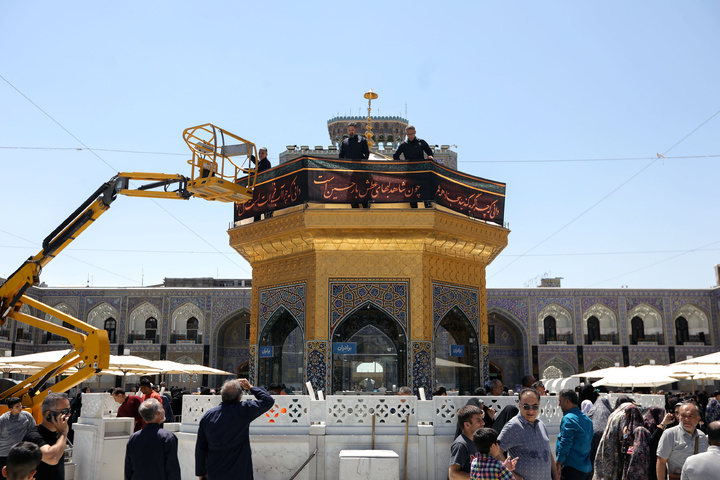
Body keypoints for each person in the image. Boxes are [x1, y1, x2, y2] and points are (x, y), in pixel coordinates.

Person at [195, 378, 274, 480]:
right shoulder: (243, 410)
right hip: (239, 472)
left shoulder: (208, 415)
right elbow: (268, 401)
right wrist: (250, 387)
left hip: (214, 471)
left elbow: (201, 446)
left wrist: (201, 472)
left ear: (222, 395)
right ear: (239, 397)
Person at [497, 388, 558, 480]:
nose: (531, 411)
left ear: (539, 405)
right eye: (526, 406)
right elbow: (496, 451)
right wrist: (513, 475)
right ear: (519, 405)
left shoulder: (541, 424)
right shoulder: (513, 426)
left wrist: (556, 477)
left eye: (534, 406)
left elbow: (548, 453)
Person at [124, 398, 181, 480]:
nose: (164, 410)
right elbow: (172, 468)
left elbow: (128, 468)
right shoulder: (167, 437)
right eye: (162, 408)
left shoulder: (134, 437)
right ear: (158, 413)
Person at [22, 393, 71, 480]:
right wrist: (64, 433)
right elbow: (52, 458)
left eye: (69, 411)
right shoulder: (33, 436)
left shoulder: (58, 433)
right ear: (49, 414)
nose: (69, 415)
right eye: (65, 412)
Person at [657, 403, 708, 480]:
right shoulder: (670, 434)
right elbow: (661, 461)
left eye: (690, 416)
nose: (687, 420)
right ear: (679, 417)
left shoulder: (702, 436)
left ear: (698, 419)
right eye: (683, 416)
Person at [555, 389, 593, 480]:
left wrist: (558, 463)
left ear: (567, 401)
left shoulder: (569, 419)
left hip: (572, 468)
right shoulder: (587, 420)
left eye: (560, 401)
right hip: (586, 468)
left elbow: (565, 443)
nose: (559, 404)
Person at [448, 405, 485, 480]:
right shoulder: (461, 445)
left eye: (482, 419)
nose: (483, 423)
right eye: (478, 420)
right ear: (467, 424)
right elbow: (453, 475)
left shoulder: (476, 442)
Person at [0, 398, 36, 471]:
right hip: (4, 453)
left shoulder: (27, 416)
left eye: (20, 405)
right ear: (10, 408)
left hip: (20, 453)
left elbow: (33, 431)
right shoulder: (3, 419)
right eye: (17, 406)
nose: (20, 407)